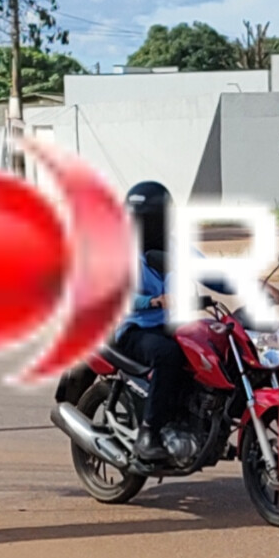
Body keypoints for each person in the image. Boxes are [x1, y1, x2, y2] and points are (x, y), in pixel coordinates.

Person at [112, 180, 193, 456]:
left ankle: (188, 416)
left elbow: (208, 270)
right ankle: (148, 433)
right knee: (168, 355)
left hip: (166, 325)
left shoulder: (172, 246)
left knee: (206, 348)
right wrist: (152, 301)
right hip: (133, 328)